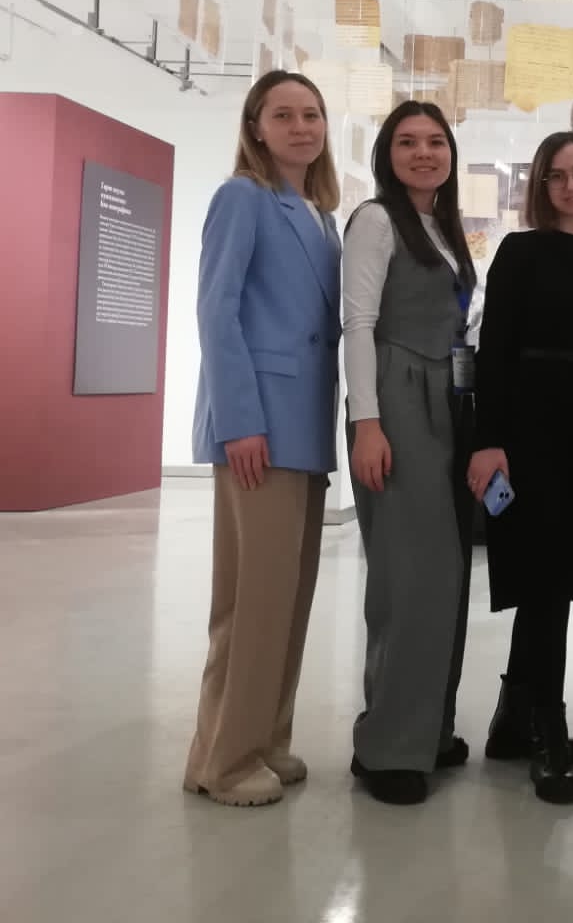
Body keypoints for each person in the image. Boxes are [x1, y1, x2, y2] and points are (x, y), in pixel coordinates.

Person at [184, 70, 341, 808]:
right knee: (251, 601)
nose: (301, 127)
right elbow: (216, 312)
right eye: (284, 115)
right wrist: (240, 421)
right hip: (261, 428)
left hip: (304, 426)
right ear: (255, 126)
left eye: (311, 114)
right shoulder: (242, 197)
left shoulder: (319, 214)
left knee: (286, 597)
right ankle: (226, 760)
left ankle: (263, 738)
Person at [468, 132, 573, 805]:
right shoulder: (519, 251)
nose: (571, 185)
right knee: (542, 584)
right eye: (557, 176)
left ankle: (514, 717)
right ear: (541, 186)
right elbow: (494, 351)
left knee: (554, 582)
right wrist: (487, 441)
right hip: (526, 437)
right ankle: (547, 729)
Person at [342, 101, 478, 805]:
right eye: (407, 142)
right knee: (409, 575)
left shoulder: (442, 227)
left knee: (444, 574)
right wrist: (367, 422)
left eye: (435, 142)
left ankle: (426, 729)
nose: (424, 153)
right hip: (396, 398)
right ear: (387, 155)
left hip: (444, 401)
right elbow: (358, 323)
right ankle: (388, 747)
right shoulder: (376, 220)